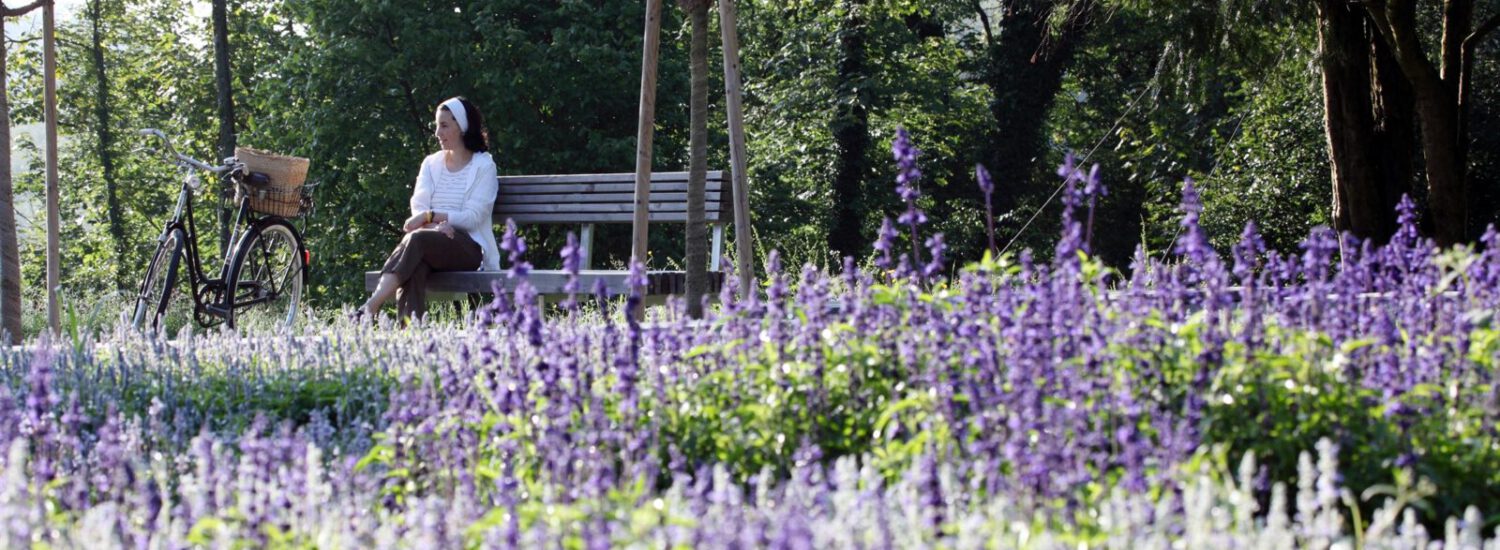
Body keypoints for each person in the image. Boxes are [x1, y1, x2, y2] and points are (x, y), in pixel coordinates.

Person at [359, 96, 500, 320]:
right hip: (430, 240)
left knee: (416, 240)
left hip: (467, 249)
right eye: (437, 125)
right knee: (416, 265)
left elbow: (473, 218)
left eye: (444, 125)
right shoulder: (431, 163)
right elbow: (419, 205)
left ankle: (371, 306)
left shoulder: (484, 166)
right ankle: (411, 331)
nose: (437, 133)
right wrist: (435, 227)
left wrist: (431, 216)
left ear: (462, 126)